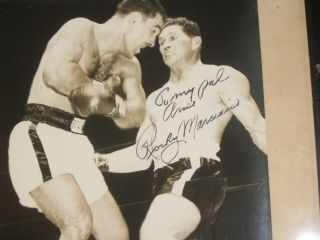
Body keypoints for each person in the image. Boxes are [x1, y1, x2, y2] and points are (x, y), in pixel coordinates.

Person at [8, 0, 166, 239]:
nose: (152, 42)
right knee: (77, 225)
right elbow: (56, 73)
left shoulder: (130, 65)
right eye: (153, 30)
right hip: (41, 132)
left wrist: (112, 105)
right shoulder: (81, 29)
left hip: (78, 143)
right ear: (134, 18)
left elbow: (136, 114)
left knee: (116, 234)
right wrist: (99, 91)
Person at [135, 17, 267, 239]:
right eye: (161, 41)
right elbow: (140, 156)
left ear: (196, 42)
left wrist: (298, 168)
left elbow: (256, 127)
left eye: (173, 38)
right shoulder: (155, 99)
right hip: (164, 184)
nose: (165, 45)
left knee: (154, 233)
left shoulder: (218, 77)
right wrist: (100, 161)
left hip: (195, 173)